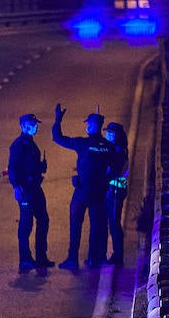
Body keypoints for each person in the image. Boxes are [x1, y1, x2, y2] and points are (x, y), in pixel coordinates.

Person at [51, 104, 115, 269]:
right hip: (99, 192)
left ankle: (72, 259)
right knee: (96, 226)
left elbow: (57, 138)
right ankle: (93, 259)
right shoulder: (108, 147)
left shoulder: (82, 143)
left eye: (88, 124)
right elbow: (116, 167)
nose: (86, 126)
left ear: (92, 126)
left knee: (75, 225)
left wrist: (58, 119)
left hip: (82, 191)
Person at [8, 113, 53, 271]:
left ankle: (41, 257)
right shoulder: (19, 145)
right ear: (22, 126)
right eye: (30, 124)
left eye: (35, 124)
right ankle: (25, 259)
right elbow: (13, 168)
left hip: (35, 187)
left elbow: (30, 166)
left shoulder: (32, 144)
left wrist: (41, 167)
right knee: (26, 224)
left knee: (43, 219)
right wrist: (16, 186)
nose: (34, 127)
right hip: (26, 190)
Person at [103, 122, 130, 265]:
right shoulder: (114, 149)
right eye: (107, 132)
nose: (107, 135)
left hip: (115, 192)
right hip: (112, 191)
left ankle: (118, 256)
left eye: (110, 133)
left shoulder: (119, 151)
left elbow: (114, 170)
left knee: (114, 223)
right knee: (111, 223)